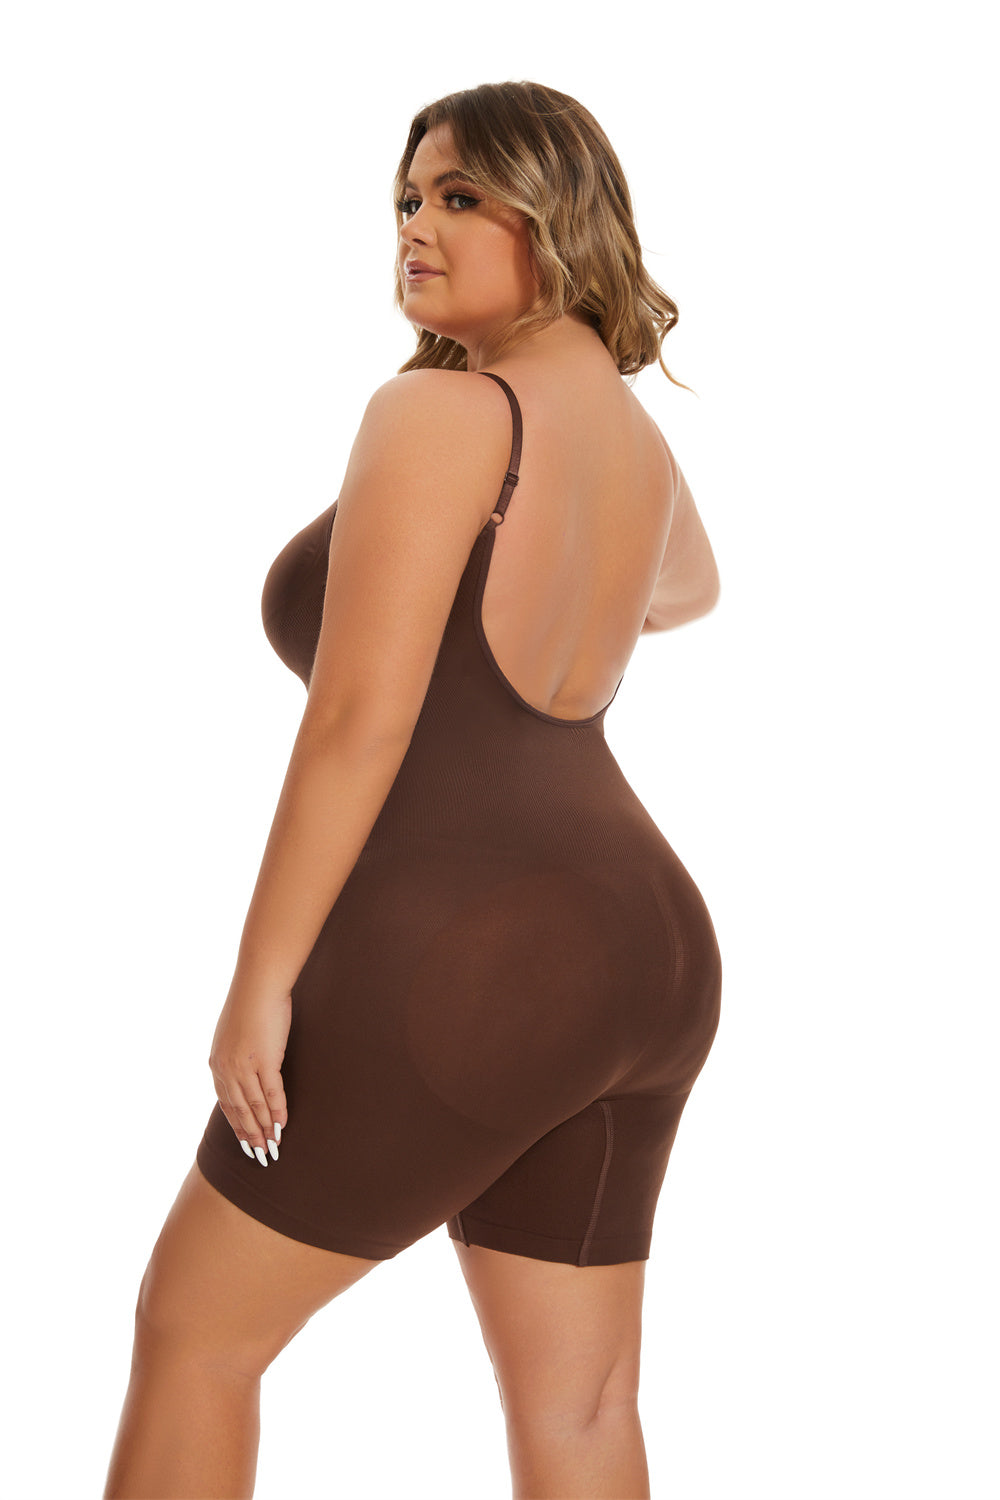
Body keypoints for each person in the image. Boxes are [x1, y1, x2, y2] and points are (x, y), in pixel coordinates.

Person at [104, 79, 723, 1500]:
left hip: (476, 944)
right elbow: (688, 590)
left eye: (458, 197)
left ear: (553, 215)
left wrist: (261, 982)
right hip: (651, 948)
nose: (414, 229)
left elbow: (356, 728)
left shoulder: (440, 414)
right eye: (404, 199)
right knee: (580, 1407)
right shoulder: (633, 441)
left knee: (196, 1335)